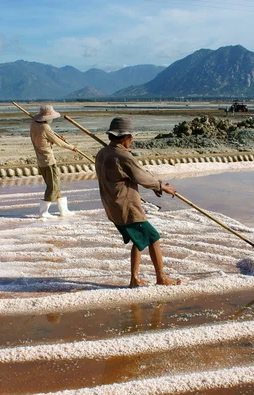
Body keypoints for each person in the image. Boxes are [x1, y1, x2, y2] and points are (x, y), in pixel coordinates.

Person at [95, 117, 180, 288]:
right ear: (125, 137)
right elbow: (141, 177)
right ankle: (161, 277)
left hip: (112, 205)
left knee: (139, 239)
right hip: (126, 206)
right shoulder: (122, 155)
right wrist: (162, 186)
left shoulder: (103, 153)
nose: (132, 140)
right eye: (131, 137)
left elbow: (134, 174)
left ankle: (134, 279)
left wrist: (157, 184)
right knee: (153, 237)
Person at [30, 105, 76, 218]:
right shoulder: (45, 127)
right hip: (48, 161)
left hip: (41, 161)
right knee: (53, 187)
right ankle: (44, 212)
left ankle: (63, 210)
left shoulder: (34, 124)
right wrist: (72, 147)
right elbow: (59, 143)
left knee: (55, 185)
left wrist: (55, 138)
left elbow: (46, 139)